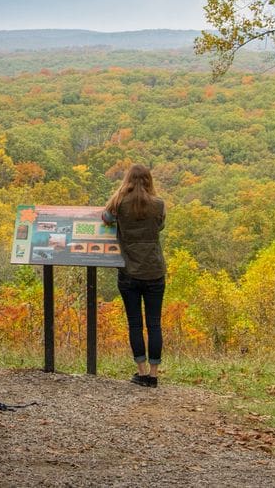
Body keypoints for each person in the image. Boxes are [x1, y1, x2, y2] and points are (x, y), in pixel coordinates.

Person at [102, 163, 166, 388]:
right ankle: (154, 374)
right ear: (149, 180)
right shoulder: (158, 205)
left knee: (135, 324)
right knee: (154, 324)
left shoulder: (119, 203)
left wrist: (119, 193)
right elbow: (160, 227)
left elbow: (106, 217)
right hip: (154, 270)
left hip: (129, 271)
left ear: (127, 180)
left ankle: (140, 372)